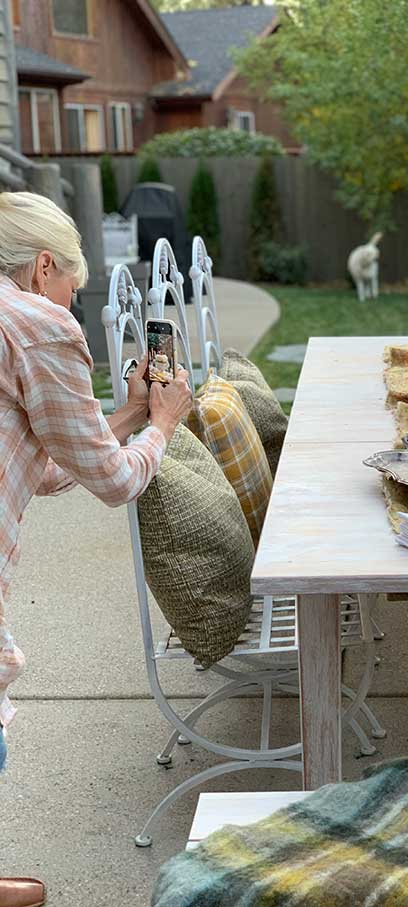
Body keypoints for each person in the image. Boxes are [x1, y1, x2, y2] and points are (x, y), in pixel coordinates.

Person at [0, 192, 192, 907]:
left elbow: (47, 460)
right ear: (43, 264)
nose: (69, 303)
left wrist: (131, 411)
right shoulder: (35, 322)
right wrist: (164, 426)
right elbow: (113, 483)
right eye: (69, 287)